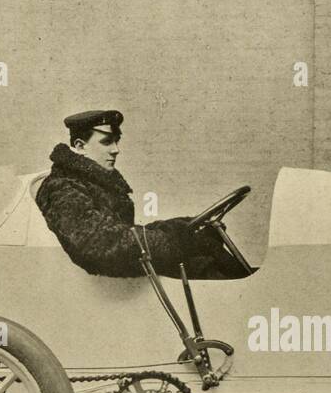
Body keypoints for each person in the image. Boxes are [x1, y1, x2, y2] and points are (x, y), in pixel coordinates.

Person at [34, 109, 241, 279]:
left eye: (116, 141)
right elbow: (98, 245)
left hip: (126, 277)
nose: (116, 150)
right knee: (203, 263)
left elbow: (125, 232)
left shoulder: (95, 182)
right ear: (80, 146)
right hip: (110, 291)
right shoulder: (62, 187)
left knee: (207, 249)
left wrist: (181, 227)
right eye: (107, 142)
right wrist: (172, 242)